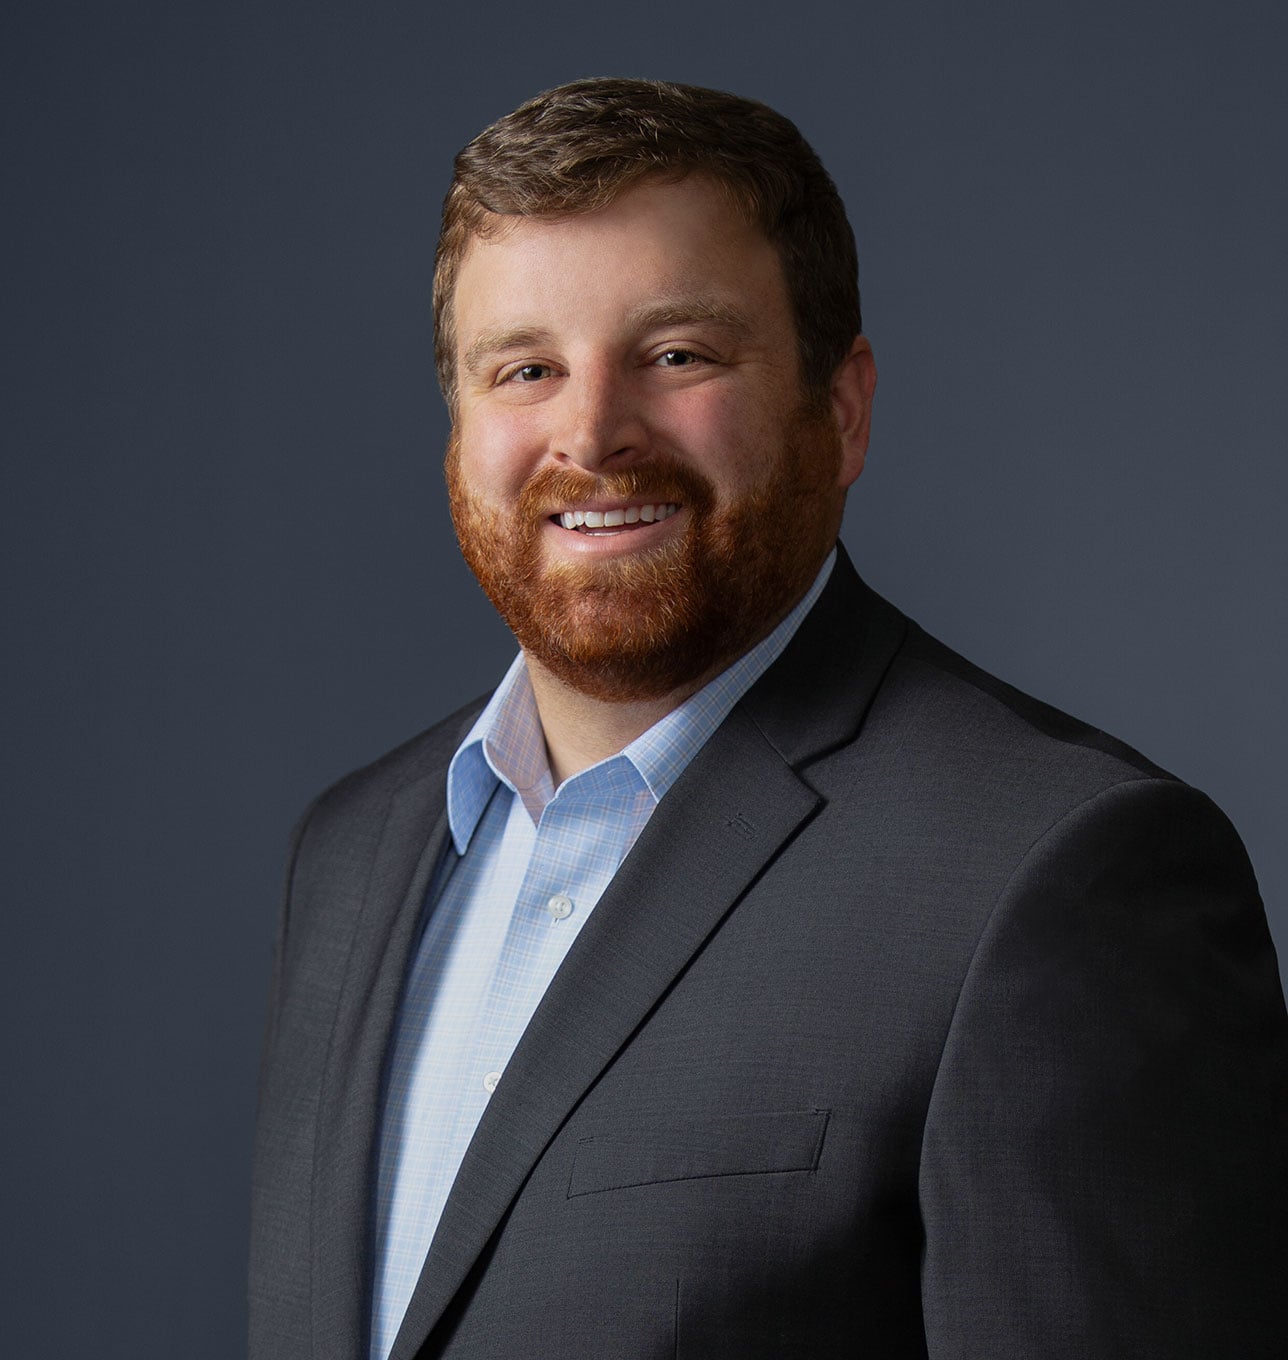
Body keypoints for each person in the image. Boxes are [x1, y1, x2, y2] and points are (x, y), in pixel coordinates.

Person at [249, 78, 1288, 1360]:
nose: (591, 432)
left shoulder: (1057, 873)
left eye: (677, 355)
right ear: (460, 429)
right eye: (526, 369)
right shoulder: (352, 855)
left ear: (838, 411)